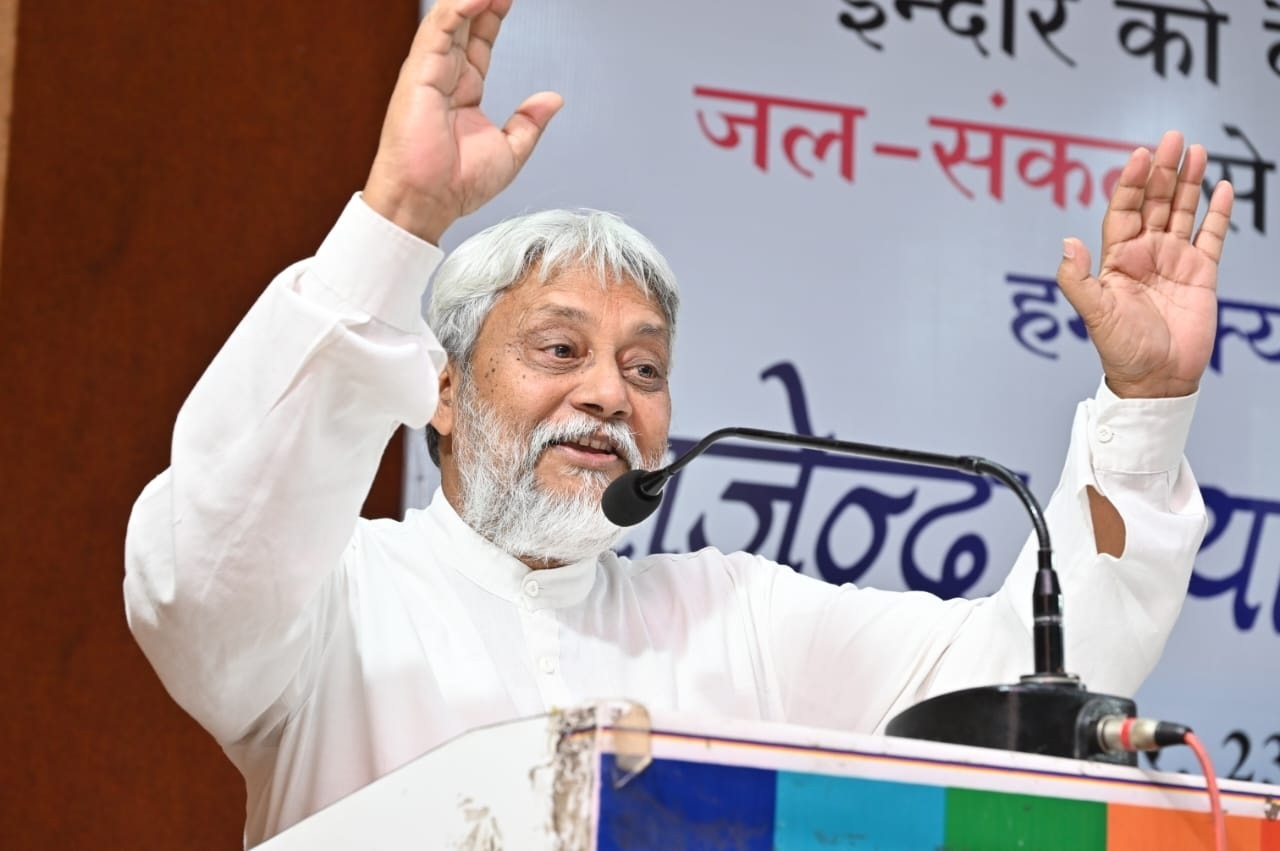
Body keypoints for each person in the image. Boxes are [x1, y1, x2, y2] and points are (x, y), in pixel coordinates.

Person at [124, 0, 1234, 845]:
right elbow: (202, 571)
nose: (610, 394)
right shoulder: (340, 595)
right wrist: (400, 217)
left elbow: (1016, 697)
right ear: (444, 393)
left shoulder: (729, 616)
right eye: (560, 350)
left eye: (644, 366)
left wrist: (1143, 405)